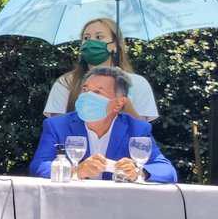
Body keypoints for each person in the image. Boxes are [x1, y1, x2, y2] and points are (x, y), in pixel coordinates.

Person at [30, 66, 176, 182]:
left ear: (119, 103)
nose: (87, 96)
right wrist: (76, 171)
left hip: (118, 209)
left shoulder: (137, 129)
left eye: (97, 92)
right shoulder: (56, 126)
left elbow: (166, 170)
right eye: (85, 89)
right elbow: (39, 166)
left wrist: (139, 172)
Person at [43, 17, 158, 121]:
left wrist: (124, 100)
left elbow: (141, 134)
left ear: (115, 45)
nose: (91, 42)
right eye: (86, 38)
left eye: (99, 37)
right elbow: (56, 130)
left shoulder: (138, 83)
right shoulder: (65, 83)